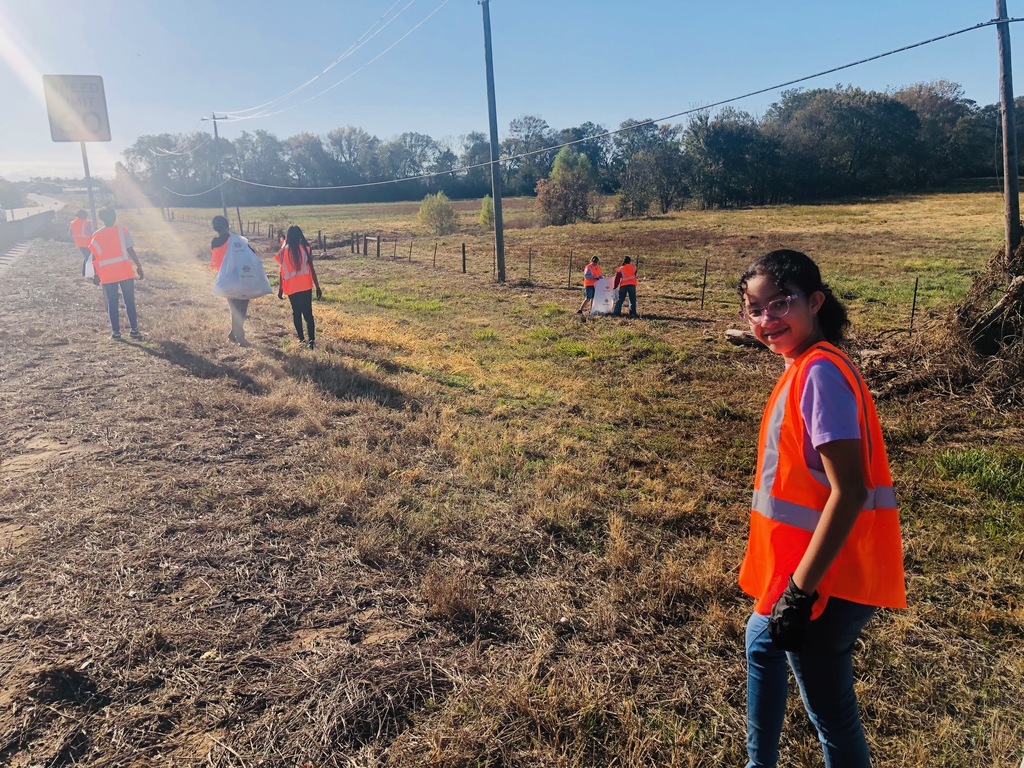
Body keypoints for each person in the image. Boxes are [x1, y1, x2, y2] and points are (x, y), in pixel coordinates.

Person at [736, 249, 906, 768]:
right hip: (806, 569)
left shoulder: (819, 374)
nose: (767, 319)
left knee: (830, 715)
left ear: (814, 302)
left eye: (780, 303)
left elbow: (849, 491)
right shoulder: (805, 366)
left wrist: (799, 593)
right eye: (754, 308)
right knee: (760, 641)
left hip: (827, 579)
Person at [89, 208, 145, 340]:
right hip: (124, 272)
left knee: (112, 303)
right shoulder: (122, 231)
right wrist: (138, 266)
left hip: (107, 274)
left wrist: (96, 274)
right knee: (129, 302)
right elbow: (130, 250)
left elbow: (94, 257)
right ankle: (134, 330)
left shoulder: (97, 235)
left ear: (102, 218)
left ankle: (116, 333)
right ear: (114, 216)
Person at [210, 215, 257, 347]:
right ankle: (240, 338)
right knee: (241, 309)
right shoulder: (234, 239)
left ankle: (233, 333)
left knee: (235, 308)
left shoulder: (214, 242)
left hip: (225, 279)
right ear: (227, 226)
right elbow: (251, 252)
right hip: (240, 277)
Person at [276, 225, 322, 349]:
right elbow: (312, 269)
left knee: (296, 312)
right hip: (305, 285)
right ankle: (311, 340)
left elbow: (281, 272)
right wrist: (317, 287)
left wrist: (280, 289)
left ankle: (301, 339)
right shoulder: (305, 249)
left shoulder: (282, 252)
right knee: (308, 313)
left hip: (291, 287)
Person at [68, 209, 93, 276]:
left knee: (86, 257)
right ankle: (85, 273)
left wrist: (75, 239)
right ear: (84, 215)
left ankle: (85, 273)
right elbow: (90, 233)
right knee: (88, 258)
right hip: (87, 243)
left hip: (79, 243)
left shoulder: (73, 223)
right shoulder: (87, 223)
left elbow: (70, 234)